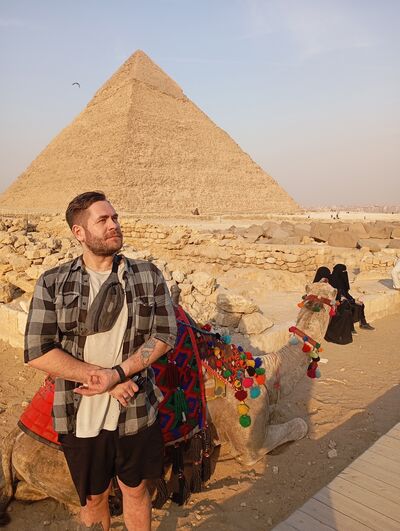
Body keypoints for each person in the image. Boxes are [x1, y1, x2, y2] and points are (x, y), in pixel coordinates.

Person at [24, 191, 177, 531]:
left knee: (136, 491)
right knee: (93, 498)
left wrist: (119, 374)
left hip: (135, 407)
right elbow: (37, 350)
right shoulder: (53, 282)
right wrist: (105, 379)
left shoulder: (148, 275)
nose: (114, 225)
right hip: (80, 412)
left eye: (115, 218)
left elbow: (165, 335)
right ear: (79, 233)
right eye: (103, 220)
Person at [313, 266, 354, 344]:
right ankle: (335, 336)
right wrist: (336, 302)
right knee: (345, 313)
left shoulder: (316, 285)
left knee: (346, 310)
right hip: (324, 309)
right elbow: (327, 299)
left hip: (327, 307)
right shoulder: (323, 286)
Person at [330, 263, 374, 330]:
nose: (345, 273)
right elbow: (336, 295)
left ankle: (363, 323)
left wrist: (353, 300)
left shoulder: (342, 280)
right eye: (343, 271)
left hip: (344, 299)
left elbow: (345, 293)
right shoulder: (333, 281)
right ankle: (351, 328)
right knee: (350, 307)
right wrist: (349, 300)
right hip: (336, 301)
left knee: (360, 305)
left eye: (345, 271)